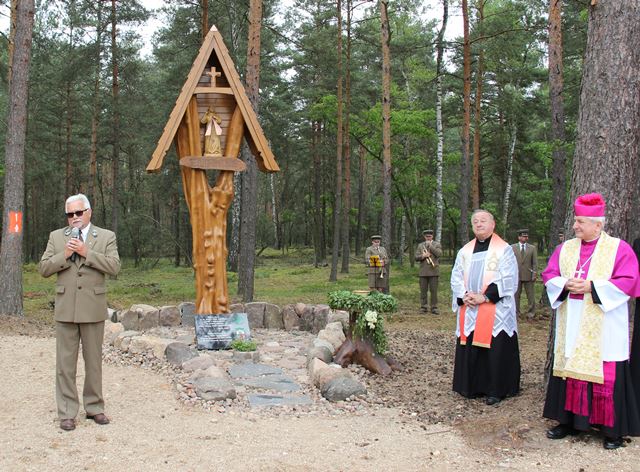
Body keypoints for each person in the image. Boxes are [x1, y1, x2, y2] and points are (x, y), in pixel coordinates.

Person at [542, 193, 640, 450]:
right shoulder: (565, 249)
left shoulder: (619, 248)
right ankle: (568, 421)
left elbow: (629, 281)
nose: (575, 226)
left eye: (580, 222)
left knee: (606, 372)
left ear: (597, 225)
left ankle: (611, 430)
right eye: (576, 220)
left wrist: (592, 287)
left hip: (604, 322)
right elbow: (549, 274)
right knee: (570, 367)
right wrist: (564, 284)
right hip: (572, 319)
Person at [38, 194, 121, 431]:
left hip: (93, 308)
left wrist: (87, 252)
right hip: (66, 308)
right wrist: (64, 255)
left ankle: (94, 407)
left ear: (89, 212)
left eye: (78, 212)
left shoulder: (106, 236)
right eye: (69, 214)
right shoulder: (56, 237)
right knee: (65, 364)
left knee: (93, 362)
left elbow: (115, 266)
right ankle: (67, 412)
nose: (74, 218)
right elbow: (43, 268)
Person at [451, 209, 520, 406]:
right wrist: (464, 295)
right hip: (470, 307)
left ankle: (496, 389)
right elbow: (456, 276)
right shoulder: (464, 251)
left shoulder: (504, 249)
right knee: (471, 345)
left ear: (492, 224)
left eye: (483, 220)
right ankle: (471, 387)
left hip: (494, 307)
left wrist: (485, 296)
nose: (479, 224)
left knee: (495, 348)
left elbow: (508, 277)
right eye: (475, 221)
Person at [511, 229, 537, 318]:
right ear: (519, 237)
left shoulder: (532, 248)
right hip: (516, 275)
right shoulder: (512, 247)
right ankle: (516, 312)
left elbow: (534, 262)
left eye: (527, 236)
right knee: (516, 295)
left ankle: (531, 312)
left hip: (528, 274)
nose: (526, 238)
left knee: (530, 295)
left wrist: (534, 274)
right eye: (523, 236)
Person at [415, 229, 442, 314]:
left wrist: (431, 246)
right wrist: (423, 256)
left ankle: (434, 307)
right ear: (424, 237)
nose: (428, 238)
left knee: (434, 291)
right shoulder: (420, 245)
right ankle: (424, 307)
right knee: (423, 291)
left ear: (432, 236)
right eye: (427, 236)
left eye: (429, 236)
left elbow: (439, 254)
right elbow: (416, 257)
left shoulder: (437, 244)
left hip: (434, 271)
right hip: (423, 272)